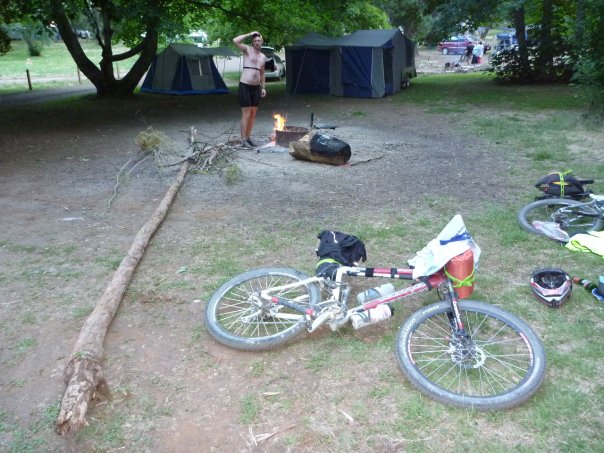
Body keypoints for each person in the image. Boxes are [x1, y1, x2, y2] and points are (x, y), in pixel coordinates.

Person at [233, 31, 267, 148]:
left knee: (253, 114)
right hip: (245, 85)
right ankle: (243, 140)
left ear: (262, 42)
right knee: (246, 113)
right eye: (255, 41)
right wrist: (249, 34)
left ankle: (248, 137)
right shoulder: (247, 49)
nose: (257, 43)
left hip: (256, 87)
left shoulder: (263, 57)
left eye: (259, 41)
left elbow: (262, 73)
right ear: (252, 43)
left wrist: (263, 87)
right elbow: (235, 40)